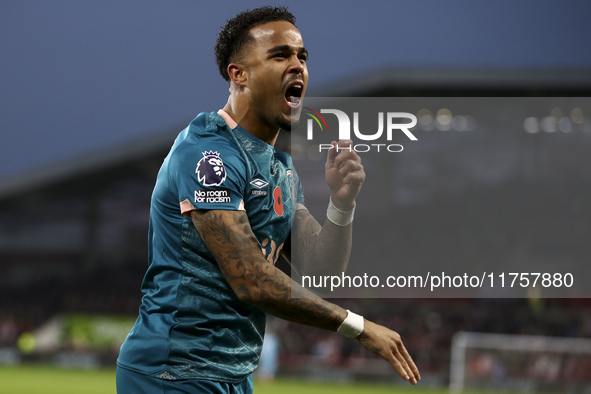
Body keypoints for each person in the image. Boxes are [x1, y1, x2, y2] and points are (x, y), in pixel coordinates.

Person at [116, 6, 419, 393]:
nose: (297, 66)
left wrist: (341, 205)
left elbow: (321, 273)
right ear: (238, 73)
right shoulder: (209, 153)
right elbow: (251, 281)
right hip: (173, 371)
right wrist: (358, 327)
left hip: (234, 374)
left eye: (302, 56)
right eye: (280, 55)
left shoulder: (280, 168)